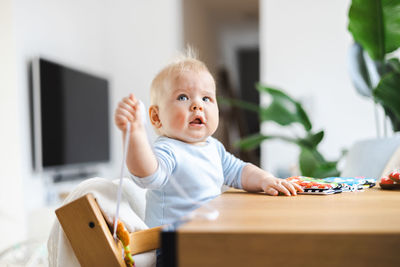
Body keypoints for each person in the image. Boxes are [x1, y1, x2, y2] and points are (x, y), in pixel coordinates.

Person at [114, 50, 303, 229]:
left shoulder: (214, 147)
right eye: (183, 97)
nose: (197, 105)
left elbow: (239, 171)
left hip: (205, 234)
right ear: (156, 117)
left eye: (206, 98)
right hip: (171, 245)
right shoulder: (169, 149)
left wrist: (265, 179)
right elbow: (148, 176)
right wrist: (136, 134)